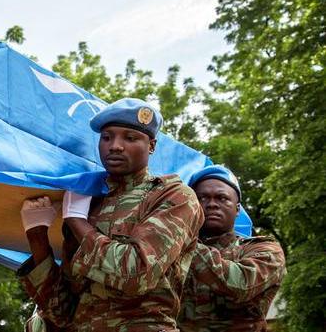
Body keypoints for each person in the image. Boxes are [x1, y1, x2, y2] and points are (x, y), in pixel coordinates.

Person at [18, 98, 204, 331]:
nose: (115, 146)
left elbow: (137, 274)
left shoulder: (173, 196)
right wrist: (37, 235)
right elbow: (62, 312)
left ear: (152, 145)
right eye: (106, 137)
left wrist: (76, 221)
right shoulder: (91, 201)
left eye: (130, 137)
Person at [179, 165, 286, 331]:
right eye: (202, 198)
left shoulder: (264, 248)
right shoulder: (171, 251)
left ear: (237, 209)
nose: (211, 204)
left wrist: (183, 239)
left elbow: (240, 285)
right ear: (191, 206)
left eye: (222, 198)